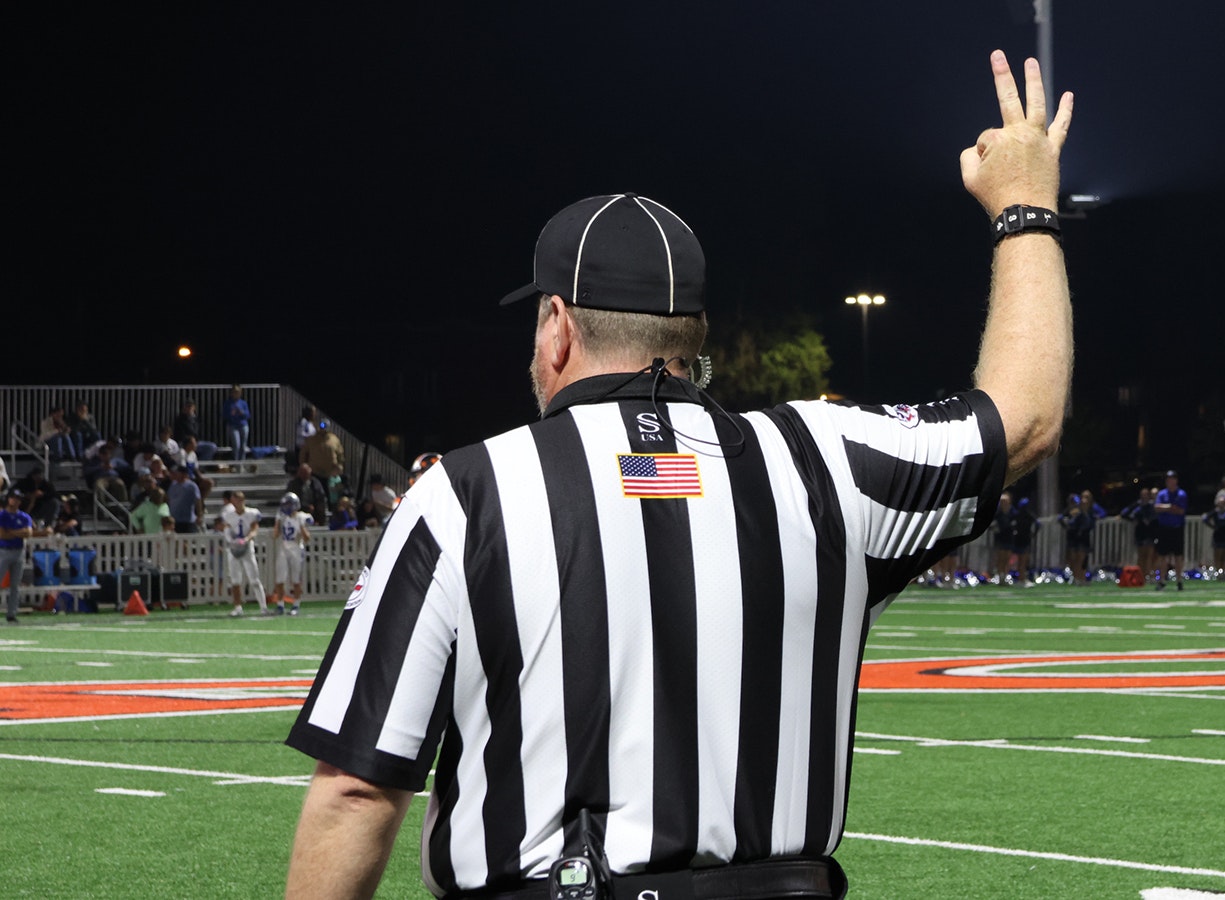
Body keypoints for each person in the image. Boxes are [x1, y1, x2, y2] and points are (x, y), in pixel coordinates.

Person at [285, 50, 1074, 900]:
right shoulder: (825, 460)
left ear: (556, 327)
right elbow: (1026, 415)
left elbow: (359, 786)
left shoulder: (467, 496)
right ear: (694, 334)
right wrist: (1023, 204)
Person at [220, 490, 268, 617]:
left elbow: (254, 529)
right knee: (235, 580)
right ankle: (237, 607)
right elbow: (227, 529)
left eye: (240, 501)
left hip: (247, 548)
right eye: (235, 501)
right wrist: (232, 541)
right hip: (234, 548)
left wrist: (246, 539)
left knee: (254, 578)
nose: (238, 503)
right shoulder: (229, 514)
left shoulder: (251, 513)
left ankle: (263, 607)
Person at [271, 492, 313, 616]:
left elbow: (307, 538)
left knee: (296, 579)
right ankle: (280, 605)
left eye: (288, 504)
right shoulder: (282, 516)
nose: (286, 507)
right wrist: (277, 522)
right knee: (280, 578)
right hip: (284, 547)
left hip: (296, 548)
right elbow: (275, 535)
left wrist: (301, 526)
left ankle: (296, 604)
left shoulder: (302, 516)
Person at [2, 490, 35, 625]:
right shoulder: (2, 515)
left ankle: (12, 613)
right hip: (3, 550)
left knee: (15, 585)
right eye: (13, 498)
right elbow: (2, 535)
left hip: (18, 550)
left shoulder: (24, 516)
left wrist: (12, 532)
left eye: (18, 499)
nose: (15, 501)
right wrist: (18, 533)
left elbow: (28, 533)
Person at [1153, 470, 1187, 590]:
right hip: (1164, 528)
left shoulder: (1181, 494)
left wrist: (1167, 509)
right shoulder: (1162, 494)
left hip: (1177, 528)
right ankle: (1161, 580)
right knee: (1162, 556)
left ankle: (1179, 580)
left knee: (1178, 556)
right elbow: (1157, 507)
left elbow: (1180, 510)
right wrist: (1169, 508)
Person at [1120, 488, 1158, 578]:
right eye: (1142, 495)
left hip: (1151, 533)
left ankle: (1149, 575)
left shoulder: (1152, 505)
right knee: (1141, 556)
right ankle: (1141, 575)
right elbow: (1124, 513)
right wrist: (1133, 519)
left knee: (1150, 555)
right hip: (1140, 533)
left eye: (1146, 495)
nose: (1144, 497)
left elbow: (1156, 517)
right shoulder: (1137, 505)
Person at [224, 385, 252, 460]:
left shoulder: (243, 403)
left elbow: (248, 415)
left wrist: (242, 413)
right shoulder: (228, 403)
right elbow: (224, 415)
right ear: (231, 393)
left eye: (238, 392)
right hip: (233, 426)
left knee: (243, 446)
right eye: (235, 392)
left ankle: (241, 463)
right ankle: (235, 462)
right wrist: (231, 414)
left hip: (243, 425)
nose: (236, 394)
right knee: (236, 445)